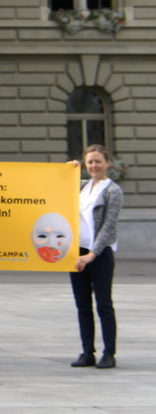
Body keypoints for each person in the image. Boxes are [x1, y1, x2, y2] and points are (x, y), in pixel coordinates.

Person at [67, 145, 124, 369]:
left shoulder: (113, 191)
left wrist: (93, 254)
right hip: (77, 253)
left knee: (104, 305)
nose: (94, 166)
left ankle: (109, 352)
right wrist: (68, 169)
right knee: (82, 305)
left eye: (98, 161)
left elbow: (109, 226)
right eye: (89, 162)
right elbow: (58, 185)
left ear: (107, 163)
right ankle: (87, 351)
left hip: (99, 255)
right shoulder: (81, 187)